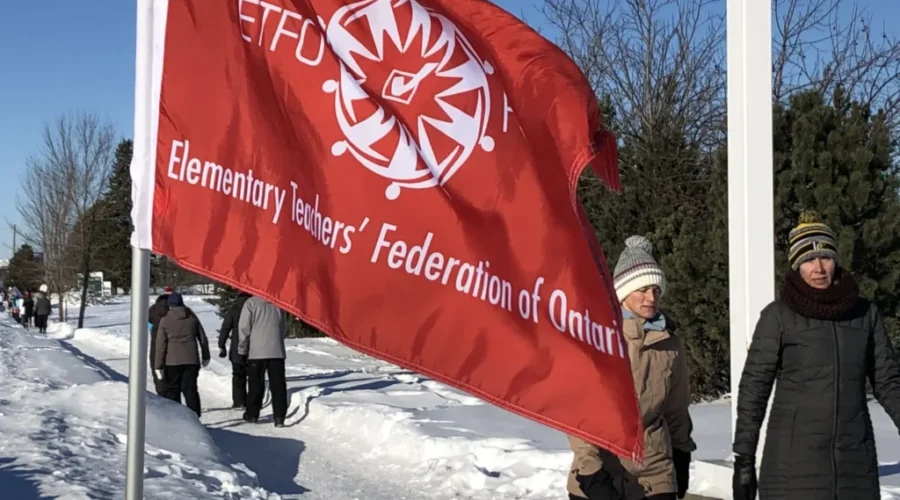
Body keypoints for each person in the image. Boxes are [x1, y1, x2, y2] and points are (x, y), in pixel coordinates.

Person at [733, 211, 900, 500]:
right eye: (809, 259)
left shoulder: (864, 314)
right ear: (797, 265)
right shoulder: (779, 317)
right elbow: (754, 389)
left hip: (855, 466)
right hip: (792, 468)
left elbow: (888, 381)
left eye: (825, 257)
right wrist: (744, 457)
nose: (819, 267)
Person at [568, 235, 694, 500]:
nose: (651, 297)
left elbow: (676, 410)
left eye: (656, 290)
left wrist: (682, 458)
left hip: (654, 472)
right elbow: (577, 412)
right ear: (623, 293)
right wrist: (591, 473)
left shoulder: (670, 344)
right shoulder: (596, 337)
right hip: (601, 473)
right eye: (643, 289)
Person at [153, 293, 211, 417]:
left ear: (170, 305)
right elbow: (202, 338)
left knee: (173, 390)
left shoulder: (165, 320)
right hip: (191, 360)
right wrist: (206, 355)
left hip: (172, 361)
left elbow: (160, 345)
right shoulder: (192, 317)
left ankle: (177, 418)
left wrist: (158, 365)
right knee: (190, 390)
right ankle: (195, 417)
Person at [238, 296, 288, 427]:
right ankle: (279, 417)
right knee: (278, 385)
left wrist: (242, 348)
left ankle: (252, 414)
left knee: (255, 384)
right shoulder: (279, 303)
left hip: (257, 350)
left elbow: (244, 327)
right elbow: (283, 327)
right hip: (276, 350)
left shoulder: (251, 303)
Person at [217, 291, 253, 409]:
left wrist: (221, 344)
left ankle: (239, 401)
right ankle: (252, 401)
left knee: (238, 374)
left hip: (236, 346)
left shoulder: (234, 309)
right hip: (253, 346)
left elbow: (225, 327)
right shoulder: (254, 308)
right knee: (253, 375)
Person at [148, 292, 171, 395]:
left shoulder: (151, 311)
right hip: (173, 349)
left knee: (158, 377)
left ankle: (162, 398)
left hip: (156, 348)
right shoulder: (174, 311)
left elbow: (148, 327)